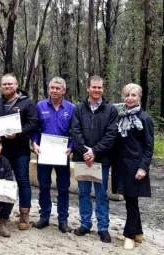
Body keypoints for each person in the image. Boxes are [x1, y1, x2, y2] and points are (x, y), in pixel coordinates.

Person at [0, 73, 39, 230]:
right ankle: (1, 213)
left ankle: (24, 214)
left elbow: (34, 123)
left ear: (17, 84)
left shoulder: (27, 103)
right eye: (4, 84)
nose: (7, 87)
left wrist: (19, 133)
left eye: (10, 84)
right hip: (0, 152)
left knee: (23, 182)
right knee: (0, 182)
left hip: (20, 151)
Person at [71, 75, 118, 243]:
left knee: (101, 194)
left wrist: (95, 152)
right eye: (94, 87)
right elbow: (75, 132)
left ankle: (103, 227)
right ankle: (85, 224)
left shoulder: (111, 110)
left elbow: (111, 134)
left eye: (100, 87)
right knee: (83, 193)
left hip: (101, 159)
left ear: (102, 89)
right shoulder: (79, 109)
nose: (97, 90)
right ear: (88, 88)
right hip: (82, 158)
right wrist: (85, 151)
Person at [112, 84, 154, 250]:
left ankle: (129, 236)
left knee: (132, 202)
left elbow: (149, 146)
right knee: (130, 200)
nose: (130, 98)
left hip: (136, 166)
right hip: (122, 165)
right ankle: (138, 233)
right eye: (127, 95)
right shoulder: (120, 117)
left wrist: (143, 167)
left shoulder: (145, 118)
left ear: (139, 97)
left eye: (133, 95)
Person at [31, 77, 75, 233]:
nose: (54, 91)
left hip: (62, 154)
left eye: (57, 88)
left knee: (63, 187)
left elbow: (75, 132)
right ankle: (44, 217)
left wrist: (71, 147)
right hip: (44, 153)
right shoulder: (40, 106)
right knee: (44, 185)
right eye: (52, 88)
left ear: (63, 90)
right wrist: (34, 143)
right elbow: (35, 129)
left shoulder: (71, 108)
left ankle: (63, 220)